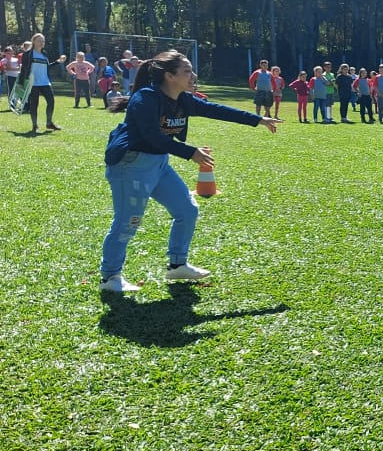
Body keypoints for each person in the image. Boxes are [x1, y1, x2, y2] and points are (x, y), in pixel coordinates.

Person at [98, 50, 278, 293]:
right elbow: (151, 135)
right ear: (170, 76)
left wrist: (258, 120)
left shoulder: (182, 99)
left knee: (187, 210)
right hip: (132, 165)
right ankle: (110, 278)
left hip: (158, 163)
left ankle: (177, 265)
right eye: (186, 71)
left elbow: (216, 110)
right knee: (128, 222)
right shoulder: (146, 98)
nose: (193, 75)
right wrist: (190, 152)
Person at [18, 33, 63, 133]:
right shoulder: (28, 54)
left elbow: (47, 67)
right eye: (39, 41)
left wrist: (58, 62)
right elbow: (24, 69)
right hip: (33, 83)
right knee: (34, 104)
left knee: (51, 102)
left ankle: (49, 123)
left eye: (43, 41)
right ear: (33, 41)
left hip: (45, 82)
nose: (41, 43)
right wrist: (21, 83)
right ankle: (35, 126)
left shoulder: (44, 54)